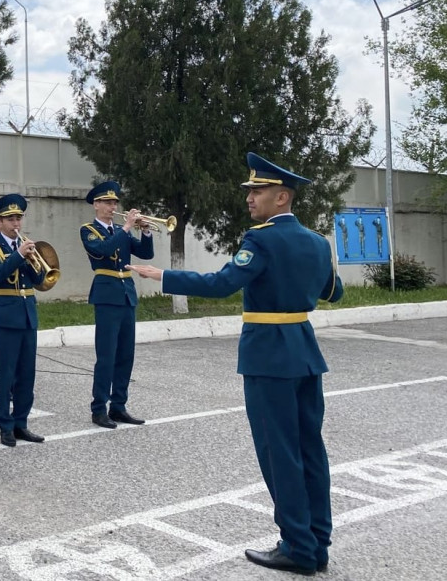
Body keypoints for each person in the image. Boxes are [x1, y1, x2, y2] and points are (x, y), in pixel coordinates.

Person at [129, 152, 343, 576]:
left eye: (258, 191)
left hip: (268, 355)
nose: (250, 197)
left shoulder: (261, 239)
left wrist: (162, 276)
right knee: (310, 450)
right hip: (304, 350)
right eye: (249, 191)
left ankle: (298, 547)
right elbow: (332, 293)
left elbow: (223, 283)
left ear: (281, 197)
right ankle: (317, 543)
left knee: (279, 452)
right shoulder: (318, 242)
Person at [79, 181, 153, 429]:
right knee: (106, 355)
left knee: (125, 355)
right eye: (108, 203)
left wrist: (145, 231)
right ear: (96, 205)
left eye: (114, 203)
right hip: (106, 294)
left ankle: (119, 406)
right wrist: (128, 227)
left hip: (126, 293)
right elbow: (101, 250)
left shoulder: (121, 229)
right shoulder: (88, 230)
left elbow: (145, 253)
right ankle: (99, 408)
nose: (113, 207)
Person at [0, 194, 46, 447]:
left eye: (18, 218)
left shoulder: (25, 244)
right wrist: (18, 254)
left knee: (27, 373)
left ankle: (21, 423)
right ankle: (5, 425)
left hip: (28, 313)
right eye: (10, 219)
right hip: (5, 315)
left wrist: (31, 258)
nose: (16, 223)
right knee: (5, 373)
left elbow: (39, 278)